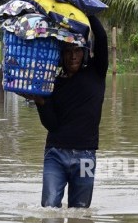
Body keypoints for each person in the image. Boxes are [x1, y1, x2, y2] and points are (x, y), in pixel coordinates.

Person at [22, 15, 108, 208]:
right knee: (49, 208)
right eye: (68, 51)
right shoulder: (52, 84)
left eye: (77, 50)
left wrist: (88, 13)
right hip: (55, 154)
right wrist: (40, 102)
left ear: (84, 52)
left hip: (86, 156)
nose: (73, 56)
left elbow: (101, 37)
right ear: (61, 54)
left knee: (81, 211)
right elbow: (51, 125)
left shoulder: (96, 73)